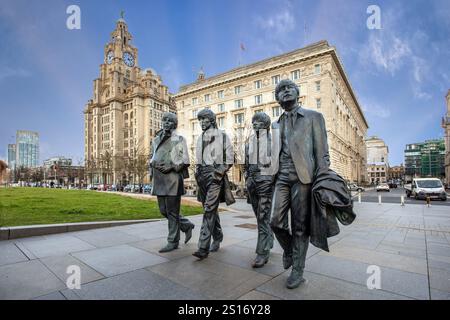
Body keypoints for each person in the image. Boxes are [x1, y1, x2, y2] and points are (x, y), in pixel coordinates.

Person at [270, 79, 331, 289]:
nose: (285, 92)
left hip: (304, 177)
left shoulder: (314, 117)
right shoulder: (275, 124)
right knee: (275, 222)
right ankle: (288, 250)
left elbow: (322, 152)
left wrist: (322, 179)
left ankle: (298, 269)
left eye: (289, 88)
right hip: (282, 177)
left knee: (300, 226)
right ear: (277, 99)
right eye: (280, 90)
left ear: (297, 93)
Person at [192, 109, 235, 260]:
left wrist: (219, 173)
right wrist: (197, 173)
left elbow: (230, 158)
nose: (202, 122)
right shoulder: (199, 138)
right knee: (210, 209)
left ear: (211, 120)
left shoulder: (222, 136)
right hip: (201, 177)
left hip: (215, 176)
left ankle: (203, 247)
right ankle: (218, 236)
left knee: (209, 209)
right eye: (200, 120)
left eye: (204, 119)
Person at [149, 112, 195, 253]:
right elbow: (152, 156)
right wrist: (151, 164)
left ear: (174, 125)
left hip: (173, 179)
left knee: (173, 212)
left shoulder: (179, 139)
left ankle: (173, 241)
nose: (166, 123)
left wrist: (171, 166)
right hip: (159, 179)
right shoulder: (156, 139)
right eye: (165, 120)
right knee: (164, 211)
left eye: (170, 121)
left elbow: (185, 159)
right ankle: (186, 225)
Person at [244, 112, 275, 268]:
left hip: (266, 183)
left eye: (258, 122)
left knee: (263, 217)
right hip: (252, 184)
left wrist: (270, 179)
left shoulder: (274, 142)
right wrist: (247, 178)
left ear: (266, 125)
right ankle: (269, 239)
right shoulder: (249, 143)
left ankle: (262, 252)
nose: (254, 124)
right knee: (260, 217)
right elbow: (245, 165)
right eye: (253, 122)